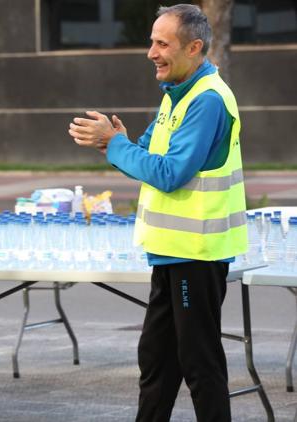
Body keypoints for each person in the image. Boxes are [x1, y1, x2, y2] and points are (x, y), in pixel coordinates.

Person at [68, 4, 246, 422]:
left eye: (162, 43)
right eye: (152, 41)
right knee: (157, 361)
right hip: (172, 252)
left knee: (198, 365)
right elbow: (143, 153)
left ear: (194, 48)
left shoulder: (206, 101)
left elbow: (168, 174)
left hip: (196, 255)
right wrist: (118, 144)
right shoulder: (176, 95)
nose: (151, 52)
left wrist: (116, 145)